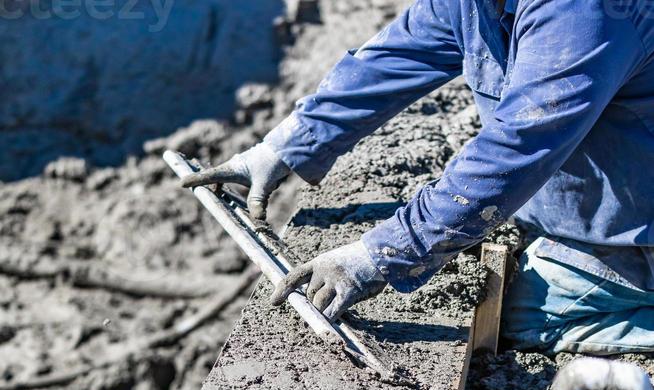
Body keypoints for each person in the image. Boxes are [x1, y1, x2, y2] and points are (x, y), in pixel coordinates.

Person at [183, 0, 654, 355]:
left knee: (512, 315)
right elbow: (395, 58)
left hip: (637, 238)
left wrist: (378, 255)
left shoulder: (586, 13)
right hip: (590, 208)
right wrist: (282, 146)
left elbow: (516, 148)